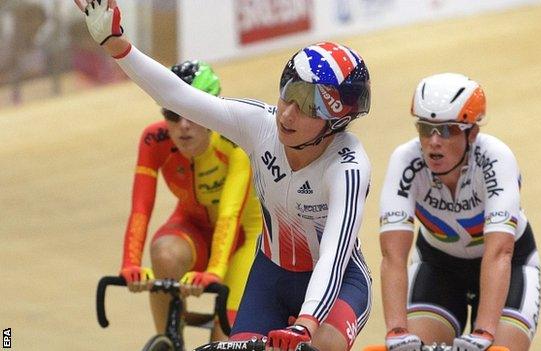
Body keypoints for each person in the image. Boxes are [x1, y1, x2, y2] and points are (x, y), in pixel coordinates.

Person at [74, 1, 372, 351]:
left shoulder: (348, 166)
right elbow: (178, 96)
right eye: (288, 94)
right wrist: (117, 44)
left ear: (335, 122)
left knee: (323, 346)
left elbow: (334, 255)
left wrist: (306, 325)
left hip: (338, 284)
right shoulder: (260, 124)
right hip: (271, 276)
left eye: (307, 107)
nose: (287, 114)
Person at [379, 73, 541, 351]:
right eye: (425, 128)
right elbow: (393, 255)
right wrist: (397, 331)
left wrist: (484, 332)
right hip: (438, 265)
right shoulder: (405, 160)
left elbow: (500, 251)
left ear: (472, 133)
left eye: (447, 130)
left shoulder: (496, 158)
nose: (433, 141)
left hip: (509, 265)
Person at [119, 59, 263, 342]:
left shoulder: (235, 142)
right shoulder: (154, 139)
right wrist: (130, 264)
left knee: (223, 342)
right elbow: (140, 208)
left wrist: (214, 272)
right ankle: (169, 342)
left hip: (246, 238)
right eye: (173, 114)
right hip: (193, 228)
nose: (183, 126)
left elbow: (230, 215)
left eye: (194, 112)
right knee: (163, 253)